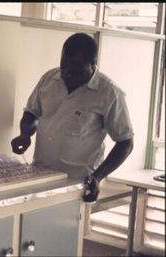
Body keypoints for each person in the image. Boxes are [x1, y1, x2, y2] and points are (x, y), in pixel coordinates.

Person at [11, 33, 134, 203]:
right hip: (40, 176)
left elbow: (126, 143)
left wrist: (97, 177)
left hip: (78, 184)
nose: (67, 74)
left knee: (67, 229)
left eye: (76, 70)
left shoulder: (109, 93)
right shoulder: (49, 79)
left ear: (93, 65)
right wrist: (25, 133)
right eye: (64, 67)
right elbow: (31, 113)